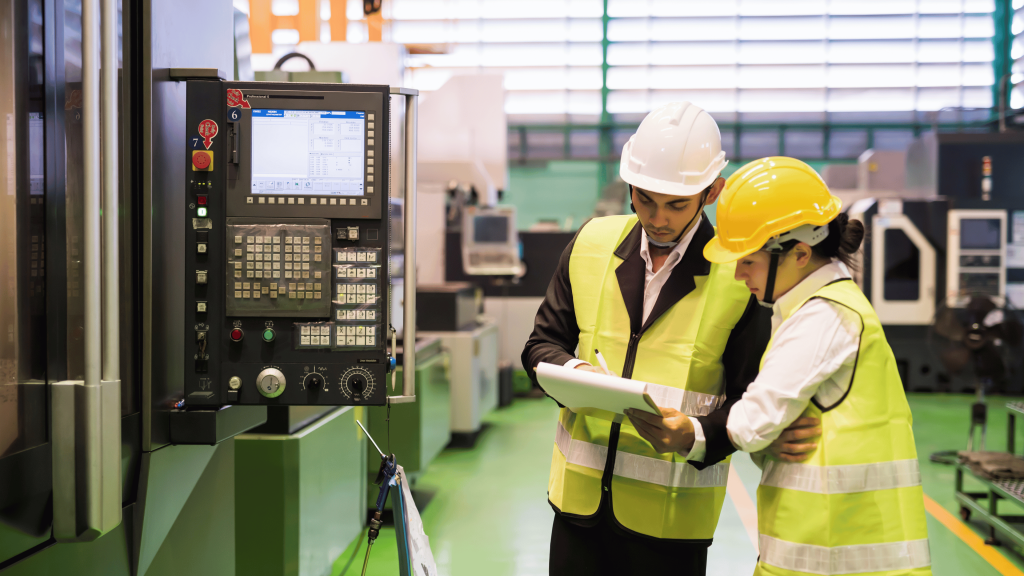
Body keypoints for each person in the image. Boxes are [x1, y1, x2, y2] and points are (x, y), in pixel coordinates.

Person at [523, 102, 803, 575]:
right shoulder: (591, 243)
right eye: (646, 198)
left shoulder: (740, 276)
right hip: (578, 509)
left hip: (671, 525)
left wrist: (693, 435)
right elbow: (540, 345)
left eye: (676, 204)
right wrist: (575, 373)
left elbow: (748, 397)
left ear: (711, 192)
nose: (658, 218)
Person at [702, 157, 932, 576]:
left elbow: (749, 426)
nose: (738, 275)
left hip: (830, 555)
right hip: (837, 549)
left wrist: (696, 429)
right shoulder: (821, 306)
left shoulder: (822, 317)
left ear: (800, 254)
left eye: (748, 261)